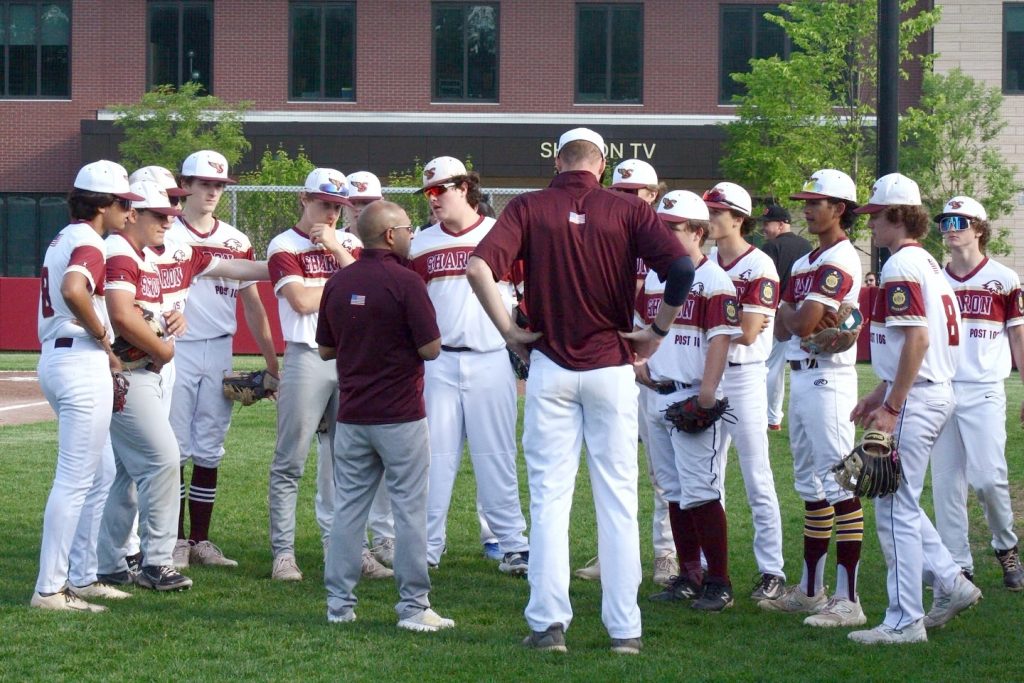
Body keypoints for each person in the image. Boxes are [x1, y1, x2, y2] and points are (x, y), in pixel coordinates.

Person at [467, 127, 694, 655]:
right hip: (611, 366)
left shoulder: (529, 206)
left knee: (549, 500)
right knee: (617, 498)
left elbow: (479, 266)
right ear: (601, 165)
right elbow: (682, 266)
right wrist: (657, 331)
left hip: (550, 363)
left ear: (559, 163)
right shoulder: (628, 210)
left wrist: (508, 330)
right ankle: (625, 630)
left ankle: (549, 624)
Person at [98, 179, 270, 592]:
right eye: (162, 212)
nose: (170, 219)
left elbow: (234, 269)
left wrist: (288, 264)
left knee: (127, 471)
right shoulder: (117, 251)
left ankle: (109, 561)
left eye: (173, 209)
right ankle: (159, 559)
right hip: (130, 369)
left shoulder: (172, 249)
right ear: (133, 211)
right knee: (161, 459)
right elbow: (120, 315)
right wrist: (160, 341)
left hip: (153, 367)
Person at [848, 173, 981, 644]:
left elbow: (919, 340)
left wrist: (893, 404)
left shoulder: (902, 265)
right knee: (898, 501)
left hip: (919, 396)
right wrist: (881, 390)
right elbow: (912, 339)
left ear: (898, 216)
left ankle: (905, 621)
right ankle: (951, 582)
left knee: (892, 510)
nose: (871, 225)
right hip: (931, 389)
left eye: (876, 216)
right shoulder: (927, 263)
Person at [318, 200, 454, 633]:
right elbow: (431, 348)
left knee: (348, 511)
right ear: (391, 235)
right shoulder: (407, 282)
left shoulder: (339, 282)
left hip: (354, 415)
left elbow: (325, 349)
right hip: (400, 416)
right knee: (410, 511)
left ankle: (339, 605)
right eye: (409, 230)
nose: (413, 235)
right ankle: (414, 607)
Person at [266, 169, 391, 582]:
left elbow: (373, 288)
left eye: (339, 206)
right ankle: (283, 553)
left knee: (350, 460)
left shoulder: (349, 242)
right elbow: (301, 301)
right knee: (291, 459)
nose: (332, 213)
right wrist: (345, 282)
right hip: (307, 354)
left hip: (352, 356)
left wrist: (338, 253)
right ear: (304, 199)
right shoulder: (284, 243)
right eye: (324, 203)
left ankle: (350, 549)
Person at [409, 156, 529, 574]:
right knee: (432, 458)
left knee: (496, 454)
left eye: (439, 189)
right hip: (438, 363)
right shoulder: (421, 243)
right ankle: (426, 547)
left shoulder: (501, 235)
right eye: (427, 192)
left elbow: (525, 292)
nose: (433, 199)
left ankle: (513, 543)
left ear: (464, 188)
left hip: (492, 356)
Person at [31, 161, 139, 612]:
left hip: (63, 357)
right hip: (77, 359)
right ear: (104, 205)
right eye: (124, 203)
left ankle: (82, 575)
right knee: (75, 480)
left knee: (101, 475)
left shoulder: (68, 236)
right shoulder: (91, 241)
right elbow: (77, 290)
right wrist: (103, 335)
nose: (129, 213)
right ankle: (49, 589)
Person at [166, 151, 280, 569]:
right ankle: (174, 539)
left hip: (219, 346)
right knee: (175, 445)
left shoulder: (234, 238)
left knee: (211, 445)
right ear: (186, 185)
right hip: (175, 347)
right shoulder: (168, 230)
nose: (213, 191)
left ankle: (201, 540)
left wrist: (271, 362)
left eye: (219, 185)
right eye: (204, 184)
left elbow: (252, 302)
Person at [763, 169, 865, 627]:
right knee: (811, 486)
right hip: (801, 374)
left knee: (839, 482)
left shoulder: (841, 257)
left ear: (839, 208)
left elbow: (802, 325)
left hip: (830, 378)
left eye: (816, 202)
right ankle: (809, 590)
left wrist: (799, 314)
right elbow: (785, 323)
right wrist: (797, 312)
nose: (806, 208)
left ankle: (849, 600)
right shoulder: (806, 261)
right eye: (805, 201)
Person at [576, 157, 678, 587]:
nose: (625, 199)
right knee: (610, 466)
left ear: (652, 196)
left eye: (634, 193)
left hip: (662, 363)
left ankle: (665, 553)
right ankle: (611, 554)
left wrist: (649, 349)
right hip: (616, 362)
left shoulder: (660, 238)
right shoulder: (609, 234)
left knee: (662, 472)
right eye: (618, 191)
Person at [641, 191, 741, 610]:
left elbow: (721, 339)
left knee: (702, 490)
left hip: (691, 393)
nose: (662, 236)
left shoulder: (715, 279)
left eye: (673, 229)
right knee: (673, 491)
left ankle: (719, 581)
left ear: (699, 232)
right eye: (659, 228)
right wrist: (637, 362)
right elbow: (640, 328)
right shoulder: (653, 277)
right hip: (657, 392)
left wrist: (706, 393)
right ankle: (688, 573)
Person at [931, 195, 1024, 591]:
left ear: (979, 229)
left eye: (959, 221)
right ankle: (958, 564)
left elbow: (1018, 335)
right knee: (946, 481)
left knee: (988, 479)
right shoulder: (934, 277)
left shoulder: (1003, 278)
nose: (950, 228)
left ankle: (1006, 547)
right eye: (945, 222)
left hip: (985, 388)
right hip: (940, 387)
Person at [704, 182, 786, 603]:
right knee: (706, 475)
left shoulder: (759, 266)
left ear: (738, 218)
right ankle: (706, 565)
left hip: (745, 376)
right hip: (709, 376)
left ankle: (772, 569)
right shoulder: (707, 263)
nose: (709, 218)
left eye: (717, 211)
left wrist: (707, 330)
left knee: (756, 475)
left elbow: (751, 332)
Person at [759, 204, 812, 430]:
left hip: (774, 312)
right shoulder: (807, 246)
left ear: (781, 224)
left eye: (767, 224)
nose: (764, 229)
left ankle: (769, 417)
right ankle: (774, 418)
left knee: (769, 367)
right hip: (803, 312)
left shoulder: (771, 247)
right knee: (782, 367)